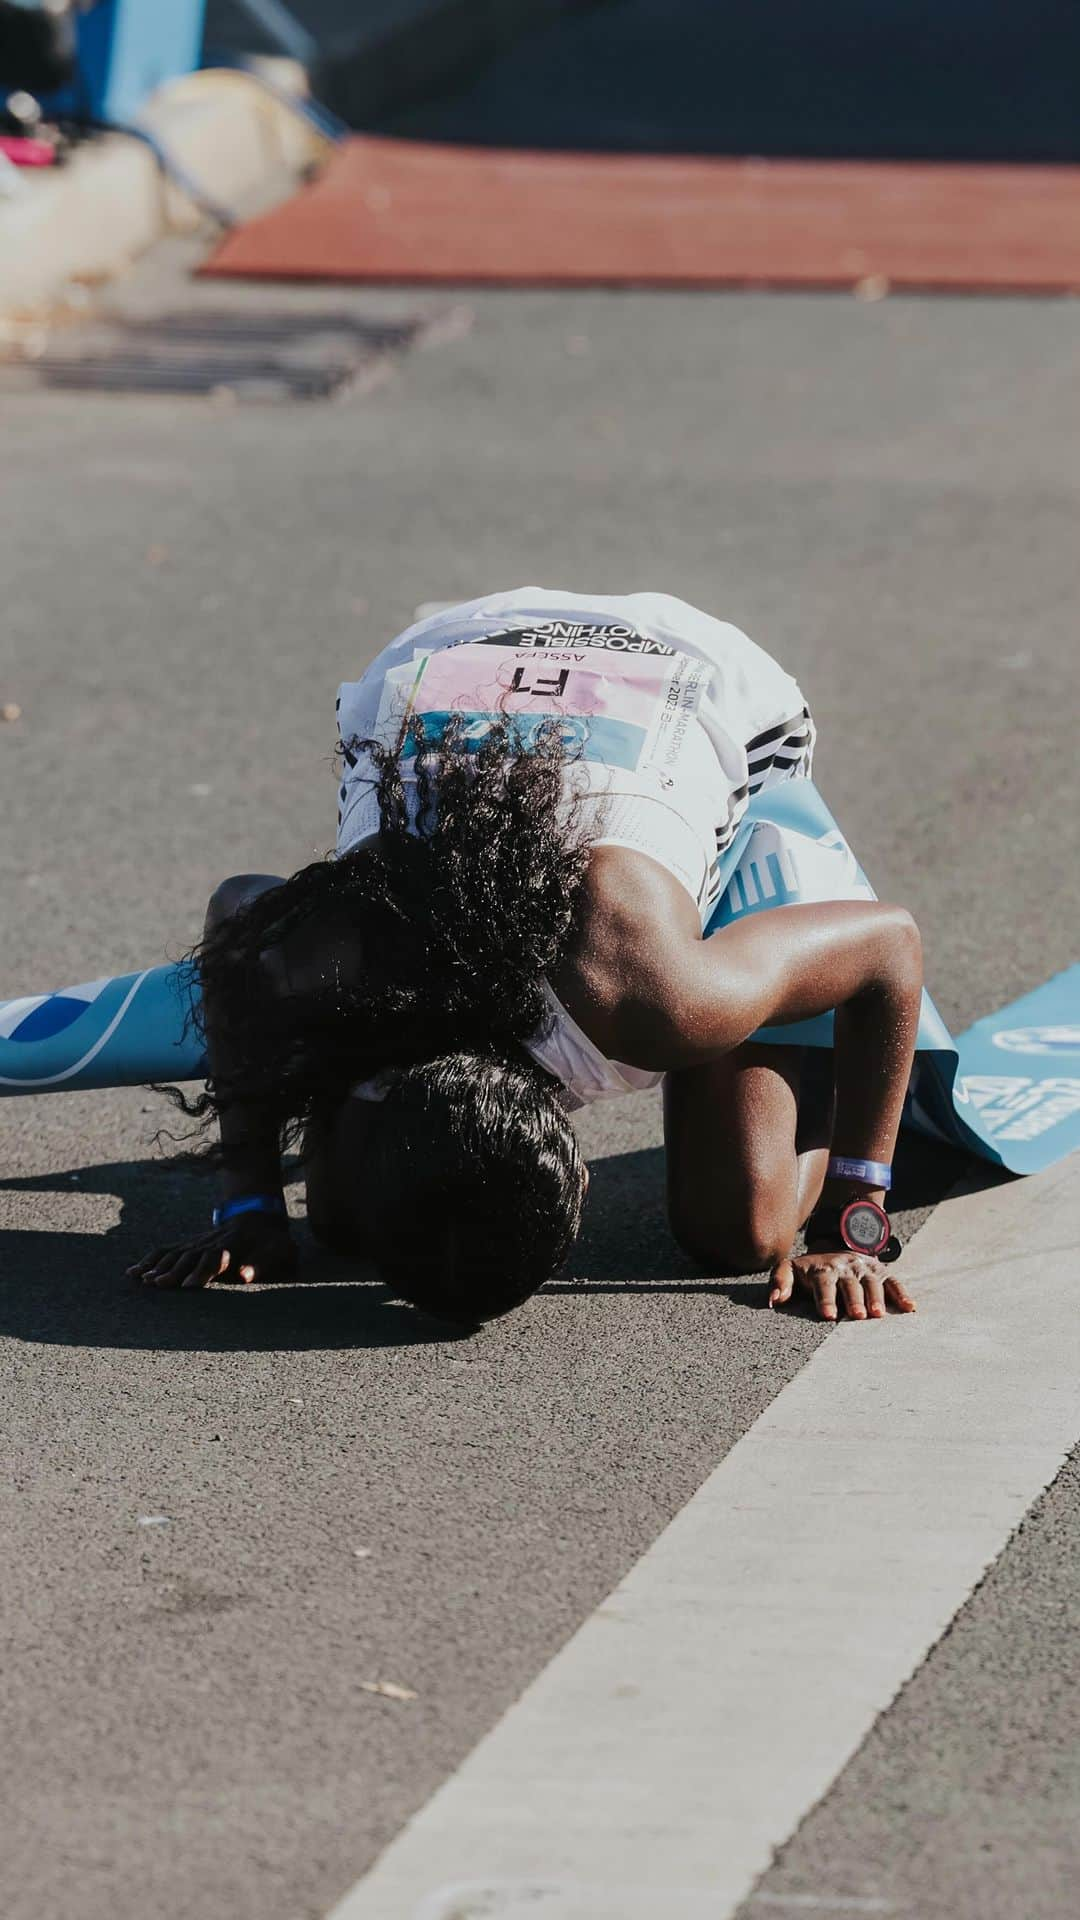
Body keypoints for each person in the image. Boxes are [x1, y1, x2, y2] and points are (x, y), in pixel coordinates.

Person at [130, 588, 922, 1327]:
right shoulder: (345, 962)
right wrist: (250, 1208)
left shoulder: (653, 993)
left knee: (743, 1228)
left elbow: (888, 945)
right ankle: (759, 969)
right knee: (339, 1220)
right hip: (472, 653)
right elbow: (237, 913)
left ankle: (761, 923)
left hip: (686, 683)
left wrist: (854, 1218)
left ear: (581, 1176)